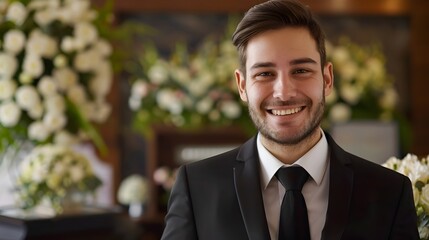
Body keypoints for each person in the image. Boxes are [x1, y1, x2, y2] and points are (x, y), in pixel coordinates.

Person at [161, 0, 419, 239]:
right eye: (264, 73)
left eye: (301, 70)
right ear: (242, 86)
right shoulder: (196, 188)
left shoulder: (389, 192)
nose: (283, 92)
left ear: (327, 79)